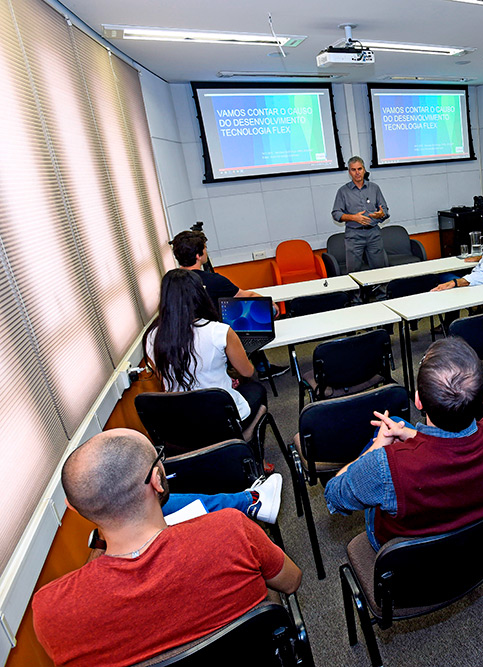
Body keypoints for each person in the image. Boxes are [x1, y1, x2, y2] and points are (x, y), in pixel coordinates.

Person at [32, 429, 301, 666]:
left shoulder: (51, 611)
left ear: (73, 508)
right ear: (157, 481)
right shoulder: (232, 530)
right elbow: (291, 581)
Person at [324, 338, 483, 551]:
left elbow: (334, 496)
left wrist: (379, 446)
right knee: (399, 427)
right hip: (481, 545)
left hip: (413, 562)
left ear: (418, 401)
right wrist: (409, 433)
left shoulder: (384, 467)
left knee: (379, 442)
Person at [144, 269, 264, 423]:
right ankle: (242, 442)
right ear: (199, 294)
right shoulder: (220, 331)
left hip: (181, 419)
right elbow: (247, 372)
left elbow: (164, 378)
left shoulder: (151, 337)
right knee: (257, 389)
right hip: (221, 416)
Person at [170, 229, 288, 379]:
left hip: (182, 338)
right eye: (205, 249)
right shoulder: (213, 280)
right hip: (215, 336)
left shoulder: (171, 281)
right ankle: (261, 367)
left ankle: (257, 365)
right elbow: (246, 296)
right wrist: (271, 303)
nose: (207, 252)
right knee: (256, 314)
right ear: (198, 256)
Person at [332, 156, 390, 273]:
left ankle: (380, 291)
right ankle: (357, 292)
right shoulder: (343, 191)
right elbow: (336, 214)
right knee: (354, 271)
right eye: (354, 170)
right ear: (349, 172)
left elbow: (385, 210)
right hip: (354, 235)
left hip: (374, 233)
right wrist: (353, 217)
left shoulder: (374, 188)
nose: (357, 173)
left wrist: (380, 214)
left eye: (359, 169)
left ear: (364, 170)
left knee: (380, 270)